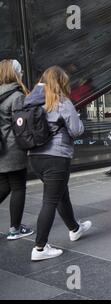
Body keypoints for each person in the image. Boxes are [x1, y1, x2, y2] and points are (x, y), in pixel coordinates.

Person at [27, 66, 90, 261]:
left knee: (61, 194)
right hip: (56, 156)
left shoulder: (30, 101)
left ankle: (75, 228)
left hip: (34, 156)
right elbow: (77, 130)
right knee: (50, 201)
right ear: (60, 82)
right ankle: (39, 247)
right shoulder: (61, 101)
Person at [0, 59, 34, 241]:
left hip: (0, 149)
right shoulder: (16, 96)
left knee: (4, 185)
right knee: (18, 187)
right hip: (13, 149)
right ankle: (15, 228)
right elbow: (21, 126)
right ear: (14, 73)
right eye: (19, 72)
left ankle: (15, 227)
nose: (22, 74)